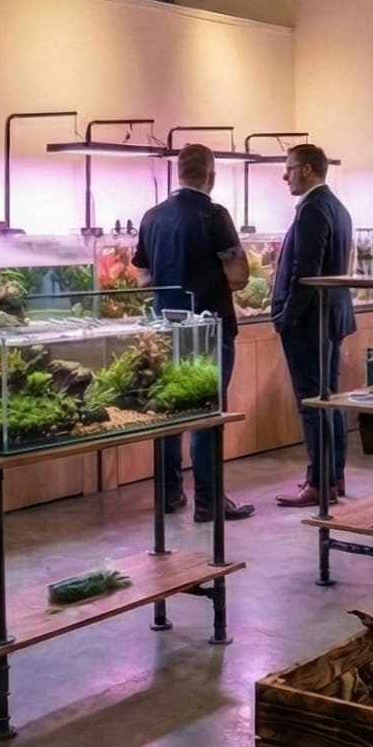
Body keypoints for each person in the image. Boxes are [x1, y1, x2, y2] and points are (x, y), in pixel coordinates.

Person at [131, 144, 254, 523]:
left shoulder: (152, 216)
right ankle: (208, 500)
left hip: (165, 329)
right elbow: (239, 276)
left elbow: (142, 277)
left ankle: (169, 494)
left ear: (178, 174)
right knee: (206, 411)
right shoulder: (213, 215)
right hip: (210, 329)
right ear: (211, 176)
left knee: (169, 412)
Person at [270, 143, 355, 507]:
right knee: (329, 400)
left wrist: (286, 318)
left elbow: (305, 273)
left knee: (313, 404)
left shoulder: (312, 210)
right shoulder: (338, 207)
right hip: (331, 318)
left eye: (289, 168)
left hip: (309, 323)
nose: (284, 175)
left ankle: (318, 483)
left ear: (306, 169)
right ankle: (334, 476)